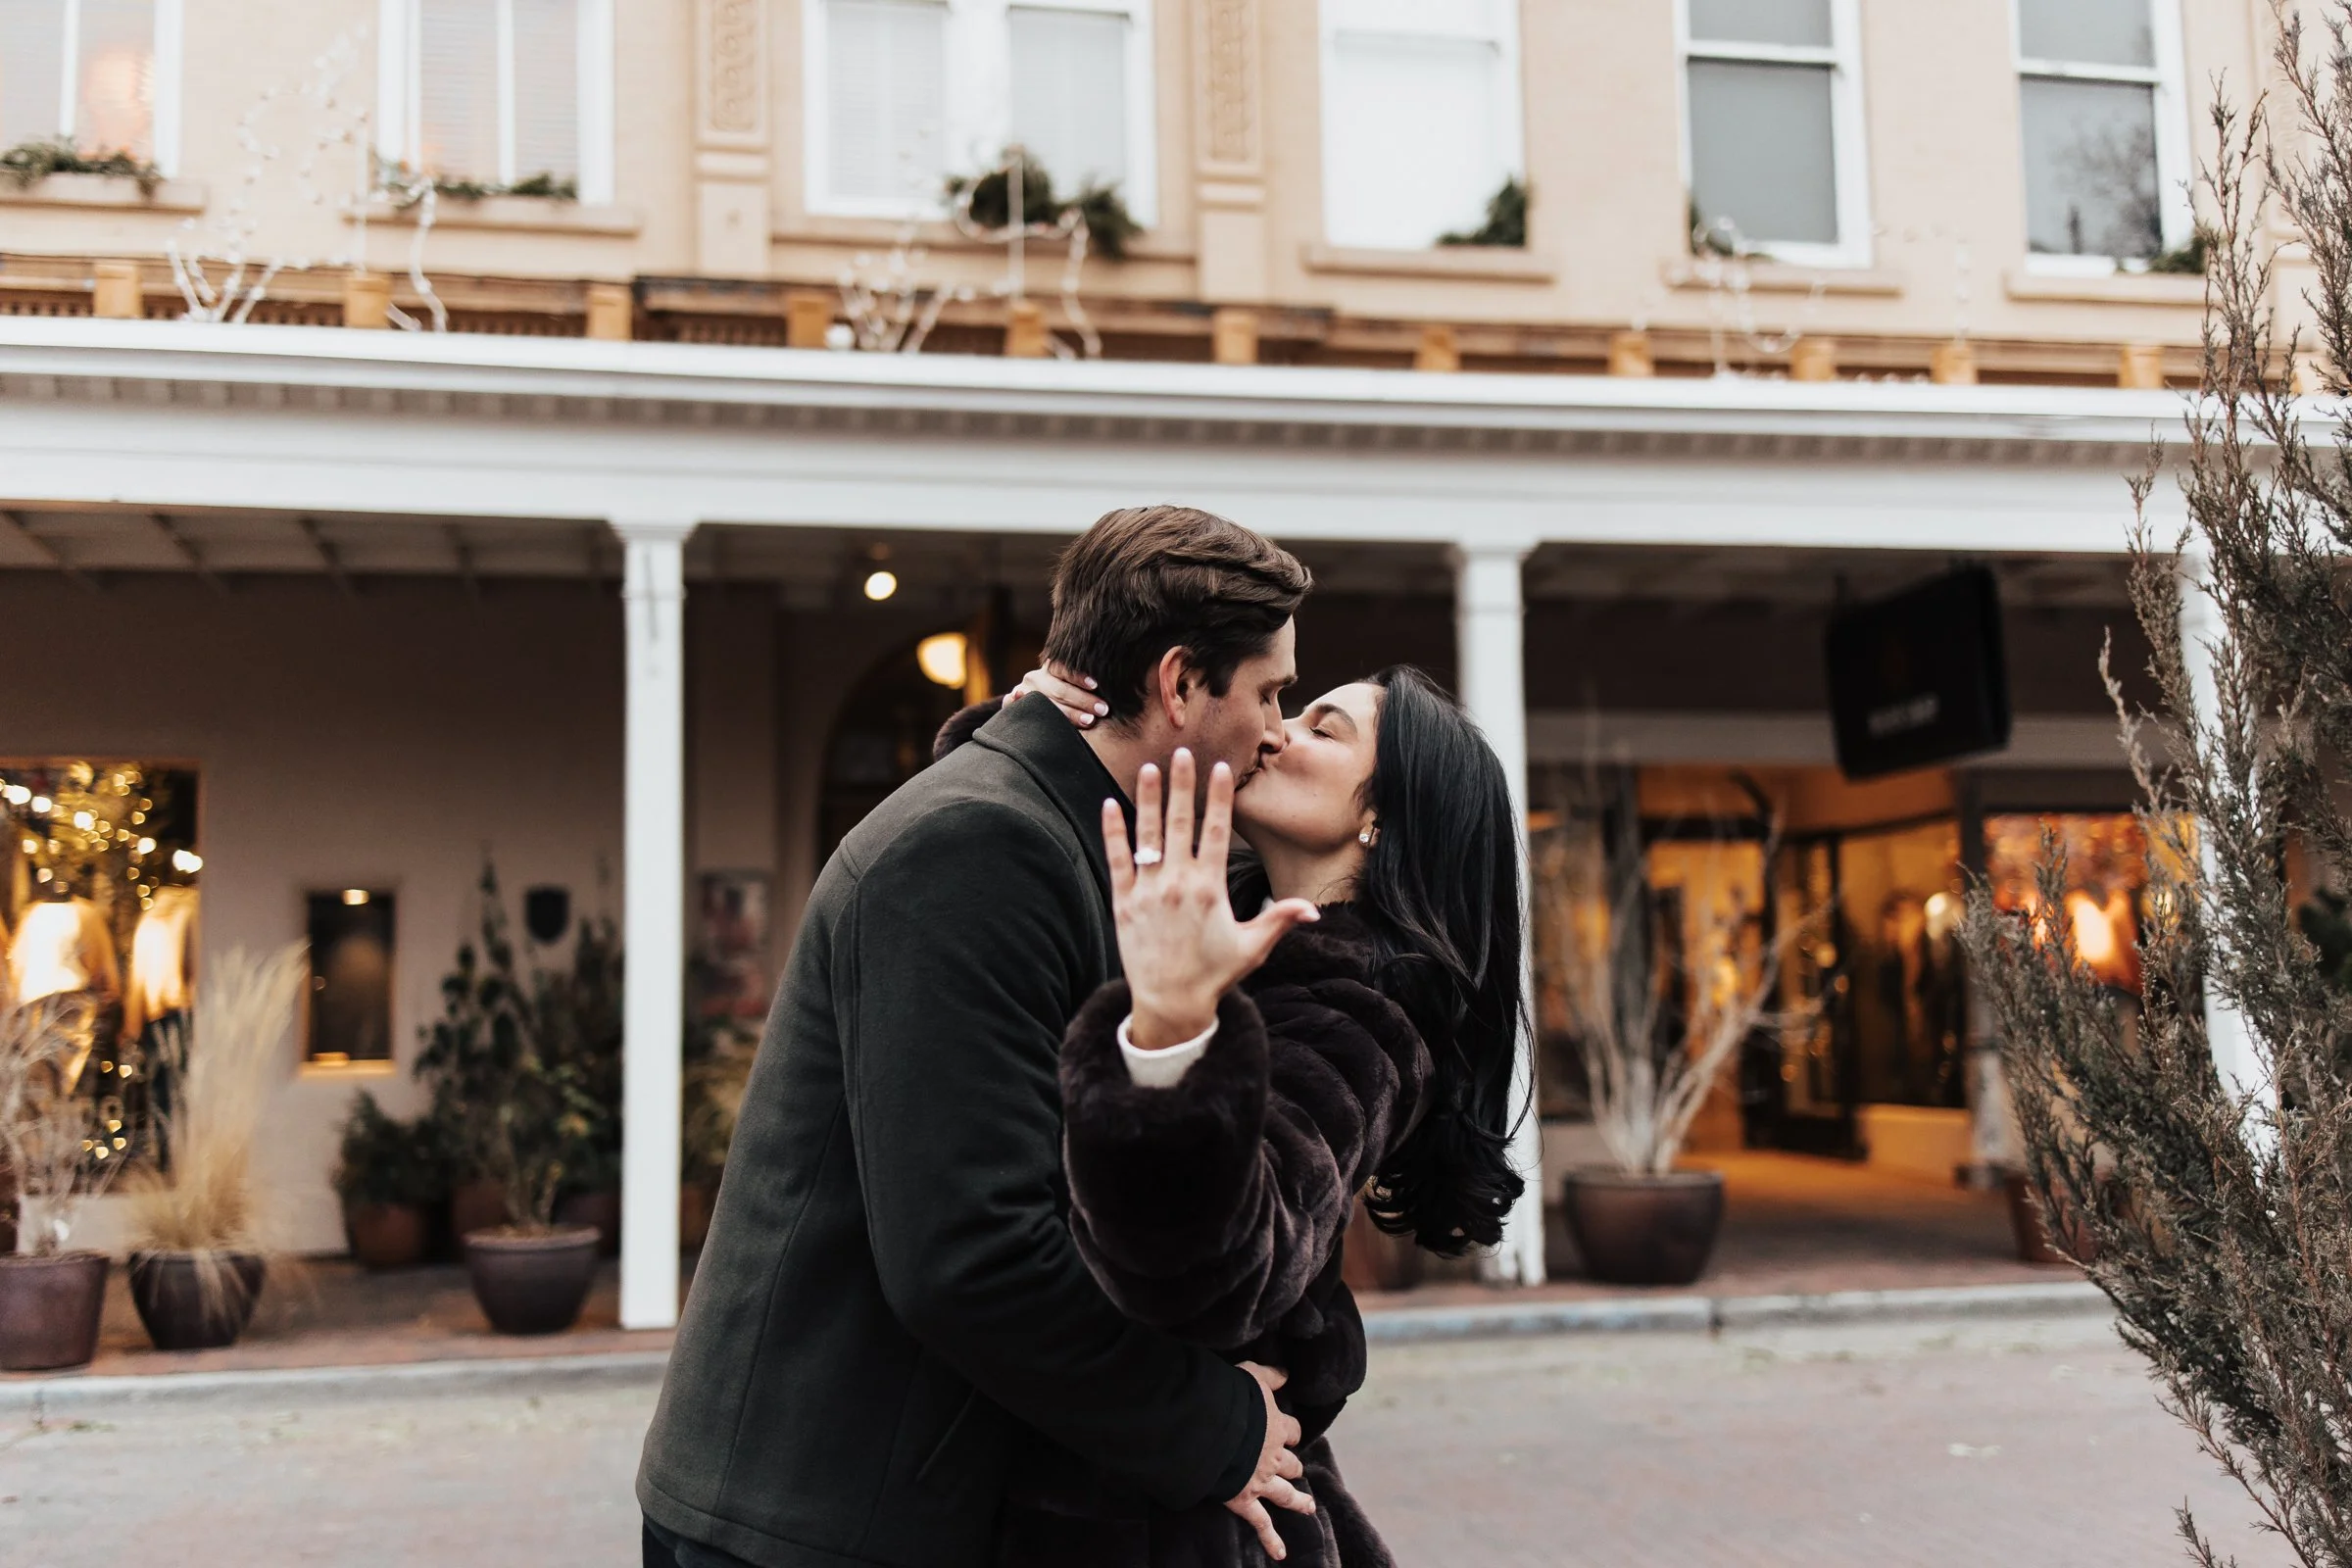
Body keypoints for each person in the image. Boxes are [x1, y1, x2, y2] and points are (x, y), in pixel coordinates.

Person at [638, 506, 1322, 1568]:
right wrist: (1209, 1426)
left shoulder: (1043, 824)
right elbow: (969, 1254)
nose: (1280, 728)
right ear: (1182, 683)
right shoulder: (975, 848)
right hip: (810, 1517)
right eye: (1273, 691)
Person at [976, 662, 1528, 1566]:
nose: (1275, 733)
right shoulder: (1214, 912)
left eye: (1323, 728)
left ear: (1379, 816)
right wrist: (1025, 739)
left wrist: (1172, 1037)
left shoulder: (1365, 1012)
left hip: (1174, 1525)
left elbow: (1222, 1269)